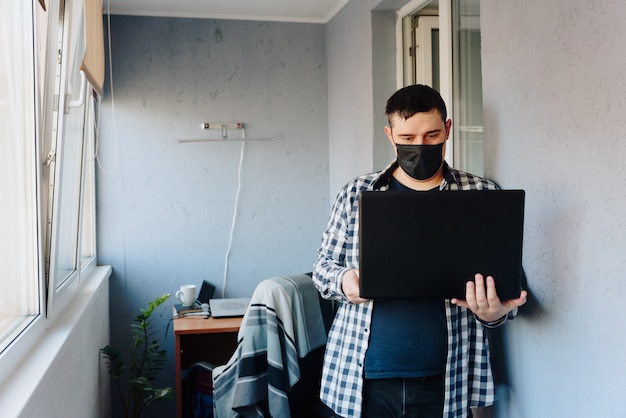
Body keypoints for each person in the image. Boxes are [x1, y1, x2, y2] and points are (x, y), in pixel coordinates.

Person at [312, 84, 528, 418]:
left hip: (448, 381)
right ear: (390, 134)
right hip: (363, 379)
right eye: (408, 138)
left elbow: (505, 287)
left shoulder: (482, 194)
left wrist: (494, 313)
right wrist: (345, 282)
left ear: (448, 130)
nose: (420, 146)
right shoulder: (356, 193)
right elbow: (323, 268)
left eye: (432, 135)